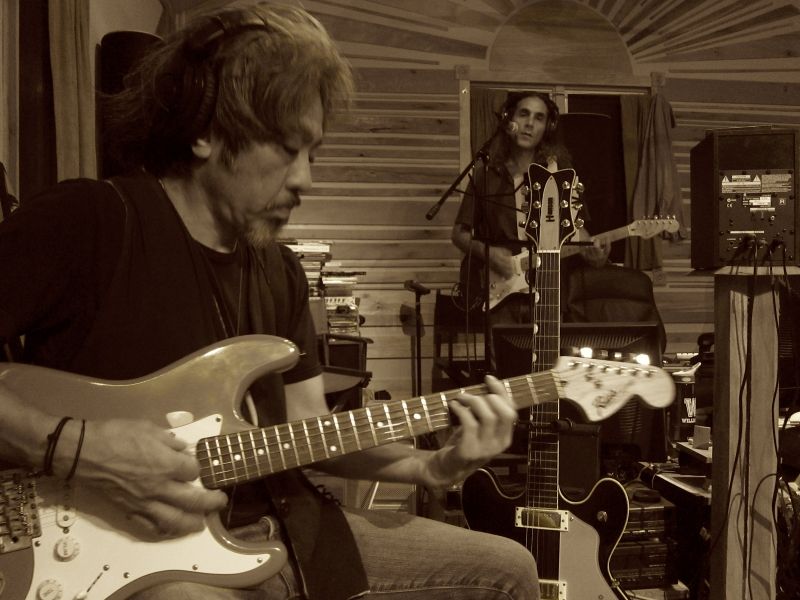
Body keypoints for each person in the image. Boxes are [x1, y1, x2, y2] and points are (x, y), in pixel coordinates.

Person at [0, 4, 540, 600]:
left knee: (510, 570)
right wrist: (75, 447)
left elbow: (309, 430)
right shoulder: (90, 222)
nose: (306, 179)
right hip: (119, 552)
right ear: (205, 131)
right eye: (287, 148)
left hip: (285, 532)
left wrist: (428, 466)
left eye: (313, 154)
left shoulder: (278, 270)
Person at [451, 90, 610, 332]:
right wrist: (489, 254)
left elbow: (578, 233)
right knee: (505, 356)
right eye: (524, 114)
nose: (529, 124)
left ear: (547, 127)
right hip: (501, 295)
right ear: (509, 120)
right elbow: (459, 234)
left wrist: (595, 254)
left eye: (539, 118)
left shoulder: (560, 175)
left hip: (549, 291)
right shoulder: (486, 176)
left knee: (548, 356)